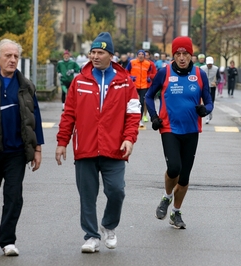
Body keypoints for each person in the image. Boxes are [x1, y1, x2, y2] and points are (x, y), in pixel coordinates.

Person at [55, 32, 141, 253]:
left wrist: (129, 139)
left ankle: (109, 226)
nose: (94, 56)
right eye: (92, 52)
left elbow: (133, 115)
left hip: (114, 148)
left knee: (117, 191)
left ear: (110, 55)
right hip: (86, 147)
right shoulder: (79, 81)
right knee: (87, 195)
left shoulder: (125, 83)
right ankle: (91, 236)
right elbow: (69, 114)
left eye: (100, 52)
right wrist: (62, 141)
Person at [0, 39, 44, 256]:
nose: (13, 60)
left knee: (14, 196)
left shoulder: (26, 85)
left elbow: (35, 117)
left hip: (16, 152)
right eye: (8, 56)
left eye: (15, 56)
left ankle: (7, 241)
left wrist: (37, 149)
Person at [145, 36, 213, 229]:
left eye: (185, 54)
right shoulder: (164, 72)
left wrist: (205, 110)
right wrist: (154, 116)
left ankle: (175, 213)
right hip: (169, 128)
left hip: (191, 130)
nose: (182, 58)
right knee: (174, 167)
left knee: (184, 178)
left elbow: (209, 101)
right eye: (178, 54)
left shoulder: (200, 74)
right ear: (173, 55)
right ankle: (166, 197)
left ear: (191, 55)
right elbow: (149, 96)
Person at [126, 49, 152, 127]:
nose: (141, 56)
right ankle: (129, 119)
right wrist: (130, 77)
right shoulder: (132, 62)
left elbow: (149, 72)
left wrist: (148, 77)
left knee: (141, 102)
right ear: (137, 55)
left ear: (144, 56)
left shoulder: (148, 64)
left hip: (143, 85)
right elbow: (126, 72)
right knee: (133, 102)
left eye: (142, 54)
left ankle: (139, 120)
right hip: (134, 85)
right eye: (139, 54)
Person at [200, 56, 220, 124]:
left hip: (212, 86)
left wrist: (216, 82)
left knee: (212, 101)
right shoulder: (202, 68)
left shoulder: (216, 69)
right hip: (204, 87)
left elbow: (219, 78)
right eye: (208, 64)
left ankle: (210, 112)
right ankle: (207, 115)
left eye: (210, 64)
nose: (209, 65)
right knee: (205, 101)